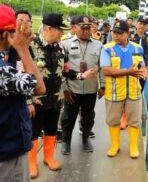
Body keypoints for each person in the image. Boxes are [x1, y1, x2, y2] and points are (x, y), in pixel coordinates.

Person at [28, 13, 96, 179]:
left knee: (51, 129)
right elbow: (24, 74)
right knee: (34, 132)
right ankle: (31, 162)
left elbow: (65, 70)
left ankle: (49, 157)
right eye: (60, 30)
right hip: (37, 100)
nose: (62, 34)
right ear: (49, 29)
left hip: (56, 99)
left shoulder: (59, 48)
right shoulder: (31, 46)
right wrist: (28, 100)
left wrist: (81, 76)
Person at [0, 4, 45, 182]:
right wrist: (23, 49)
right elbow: (39, 87)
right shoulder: (3, 72)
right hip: (7, 152)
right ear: (5, 35)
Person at [99, 20, 147, 159]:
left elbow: (141, 65)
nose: (116, 35)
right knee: (113, 119)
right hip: (114, 91)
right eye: (114, 32)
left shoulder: (138, 48)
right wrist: (128, 72)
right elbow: (106, 70)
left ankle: (133, 146)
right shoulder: (107, 49)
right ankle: (115, 145)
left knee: (134, 120)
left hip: (133, 90)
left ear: (128, 34)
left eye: (120, 33)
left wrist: (144, 71)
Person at [61, 15, 105, 155]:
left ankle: (85, 139)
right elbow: (61, 69)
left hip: (91, 88)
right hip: (72, 89)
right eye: (83, 27)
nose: (86, 30)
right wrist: (64, 89)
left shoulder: (98, 45)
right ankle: (66, 141)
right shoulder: (65, 44)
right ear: (75, 28)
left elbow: (102, 67)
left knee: (88, 117)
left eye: (89, 27)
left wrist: (102, 86)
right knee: (68, 117)